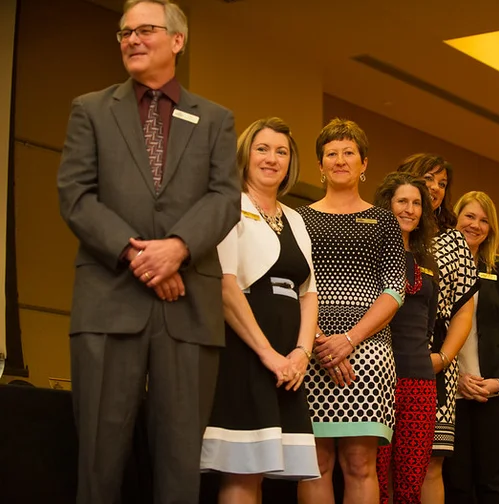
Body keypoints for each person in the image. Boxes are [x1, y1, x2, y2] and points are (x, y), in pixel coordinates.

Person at [56, 1, 240, 502]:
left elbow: (225, 198)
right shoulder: (90, 109)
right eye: (124, 32)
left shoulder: (216, 119)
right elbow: (75, 195)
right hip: (108, 301)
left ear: (177, 40)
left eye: (144, 30)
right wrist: (141, 257)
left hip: (189, 310)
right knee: (98, 460)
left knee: (181, 464)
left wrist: (178, 248)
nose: (131, 39)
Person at [200, 118, 320, 502]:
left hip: (288, 359)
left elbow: (309, 294)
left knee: (264, 474)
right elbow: (225, 285)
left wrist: (301, 353)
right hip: (245, 350)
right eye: (262, 149)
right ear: (245, 155)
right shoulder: (228, 205)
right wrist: (268, 354)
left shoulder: (296, 218)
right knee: (241, 472)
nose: (272, 158)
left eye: (281, 151)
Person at [296, 119, 406, 504]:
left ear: (364, 165)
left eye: (349, 153)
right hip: (309, 350)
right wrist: (321, 342)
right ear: (320, 165)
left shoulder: (384, 221)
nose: (340, 160)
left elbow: (394, 291)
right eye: (331, 154)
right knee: (314, 463)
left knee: (360, 464)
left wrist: (349, 340)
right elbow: (293, 286)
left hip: (368, 354)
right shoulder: (298, 220)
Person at [397, 154, 479, 504]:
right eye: (428, 178)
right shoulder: (388, 226)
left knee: (430, 464)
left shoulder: (454, 241)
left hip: (434, 363)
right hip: (386, 356)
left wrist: (444, 358)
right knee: (382, 457)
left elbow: (464, 312)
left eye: (442, 183)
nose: (434, 188)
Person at [444, 191, 499, 503]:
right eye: (470, 216)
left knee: (492, 480)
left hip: (496, 392)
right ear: (455, 217)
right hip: (453, 389)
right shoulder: (438, 265)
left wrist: (498, 382)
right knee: (457, 480)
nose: (476, 225)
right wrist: (459, 378)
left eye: (484, 220)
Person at [373, 173, 439, 504]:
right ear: (387, 205)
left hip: (420, 380)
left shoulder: (428, 261)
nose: (409, 209)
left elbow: (429, 324)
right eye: (402, 201)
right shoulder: (369, 254)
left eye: (416, 203)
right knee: (375, 473)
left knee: (411, 480)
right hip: (377, 376)